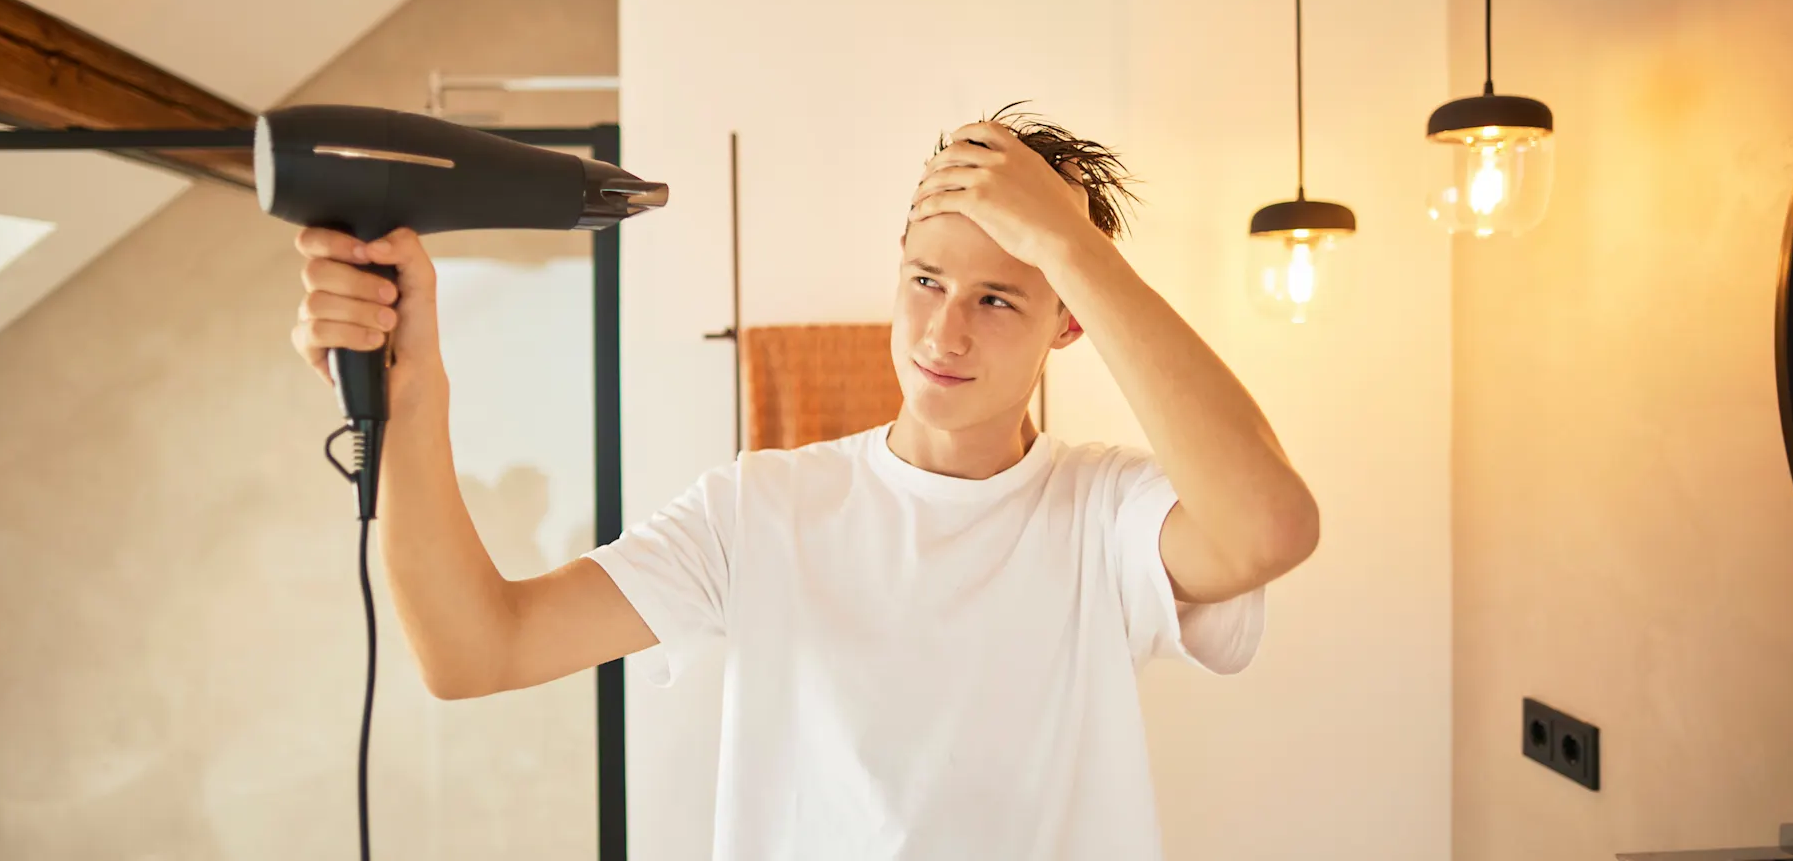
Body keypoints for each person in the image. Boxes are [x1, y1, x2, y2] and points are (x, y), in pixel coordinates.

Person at [289, 105, 1320, 861]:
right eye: (926, 281)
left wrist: (1068, 240)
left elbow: (1270, 526)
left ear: (1070, 320)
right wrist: (412, 395)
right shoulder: (761, 510)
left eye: (1000, 298)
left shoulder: (1108, 517)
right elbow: (476, 650)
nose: (944, 332)